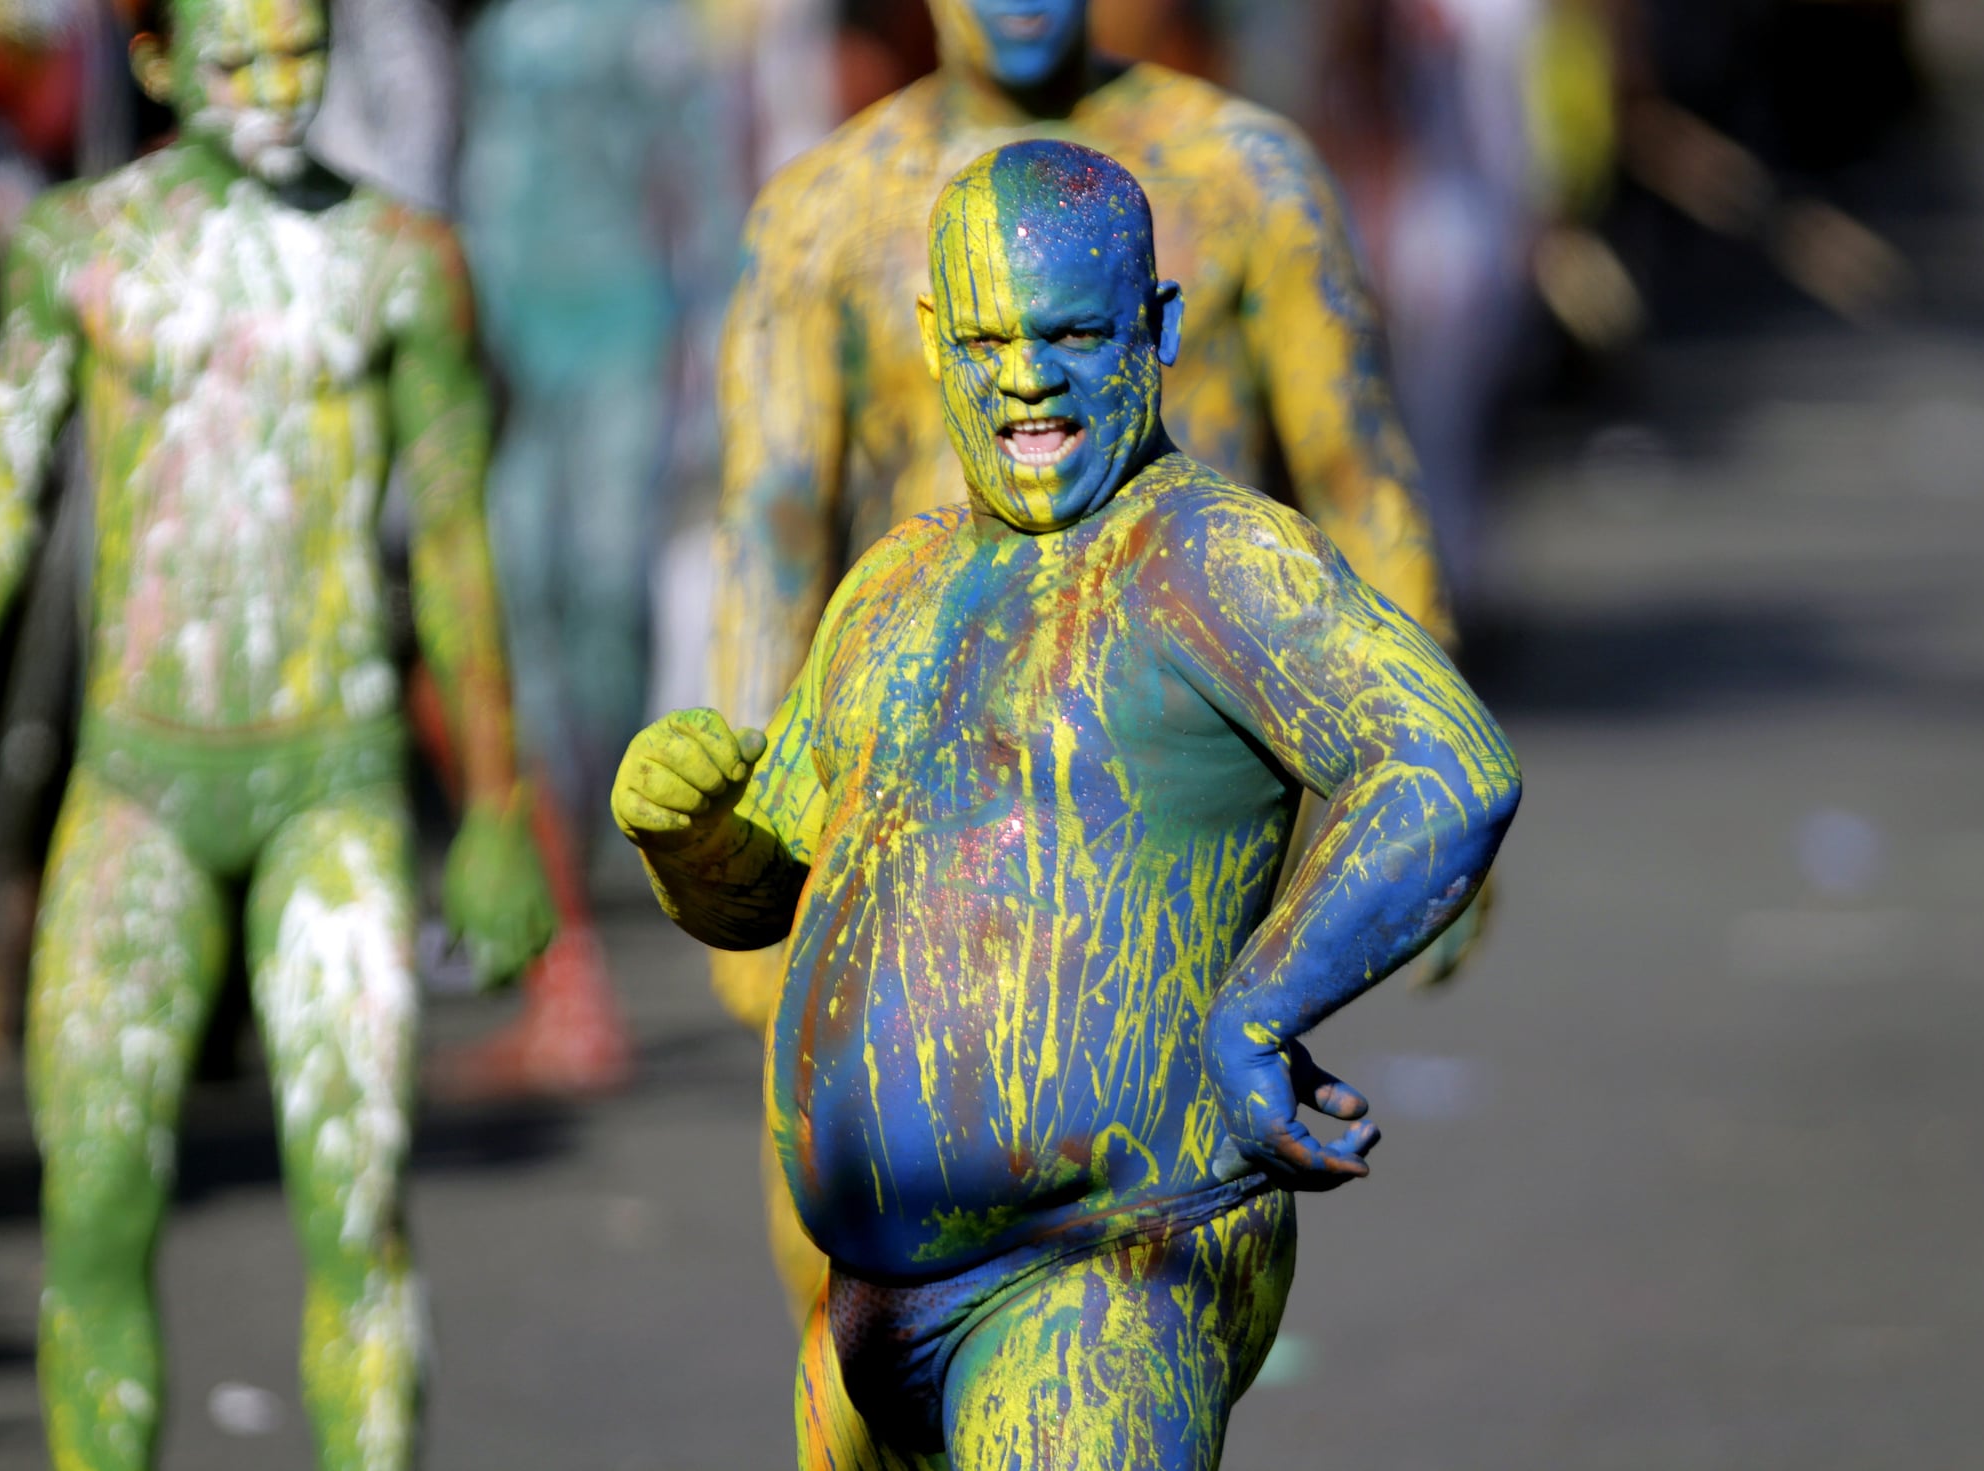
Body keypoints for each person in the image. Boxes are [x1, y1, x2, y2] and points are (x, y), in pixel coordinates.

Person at [617, 140, 1520, 1469]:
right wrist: (691, 837)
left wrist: (1262, 1007)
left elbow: (1448, 767)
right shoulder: (895, 585)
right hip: (865, 1301)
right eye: (989, 340)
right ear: (932, 338)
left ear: (1156, 328)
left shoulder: (1207, 556)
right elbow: (768, 895)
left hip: (1104, 1278)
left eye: (1074, 334)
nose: (1028, 376)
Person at [712, 0, 1480, 1312]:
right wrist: (745, 853)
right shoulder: (824, 213)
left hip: (1161, 825)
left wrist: (1424, 745)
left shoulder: (1242, 174)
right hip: (907, 813)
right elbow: (773, 531)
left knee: (1144, 1295)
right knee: (854, 1319)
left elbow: (1358, 473)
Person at [0, 1, 554, 1465]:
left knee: (355, 1206)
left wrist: (492, 806)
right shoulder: (82, 252)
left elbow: (459, 550)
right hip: (138, 784)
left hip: (332, 781)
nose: (279, 94)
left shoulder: (398, 263)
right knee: (95, 1211)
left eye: (301, 54)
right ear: (159, 64)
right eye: (237, 64)